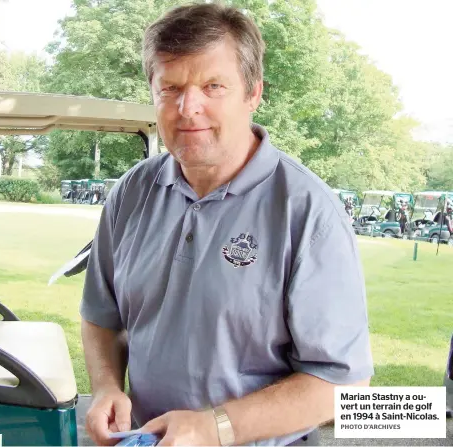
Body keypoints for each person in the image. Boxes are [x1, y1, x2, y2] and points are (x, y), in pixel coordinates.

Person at [80, 3, 374, 446]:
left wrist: (216, 426)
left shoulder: (308, 212)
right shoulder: (130, 192)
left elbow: (344, 386)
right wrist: (106, 386)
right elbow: (103, 317)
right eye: (170, 87)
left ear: (253, 93)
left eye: (213, 86)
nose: (187, 107)